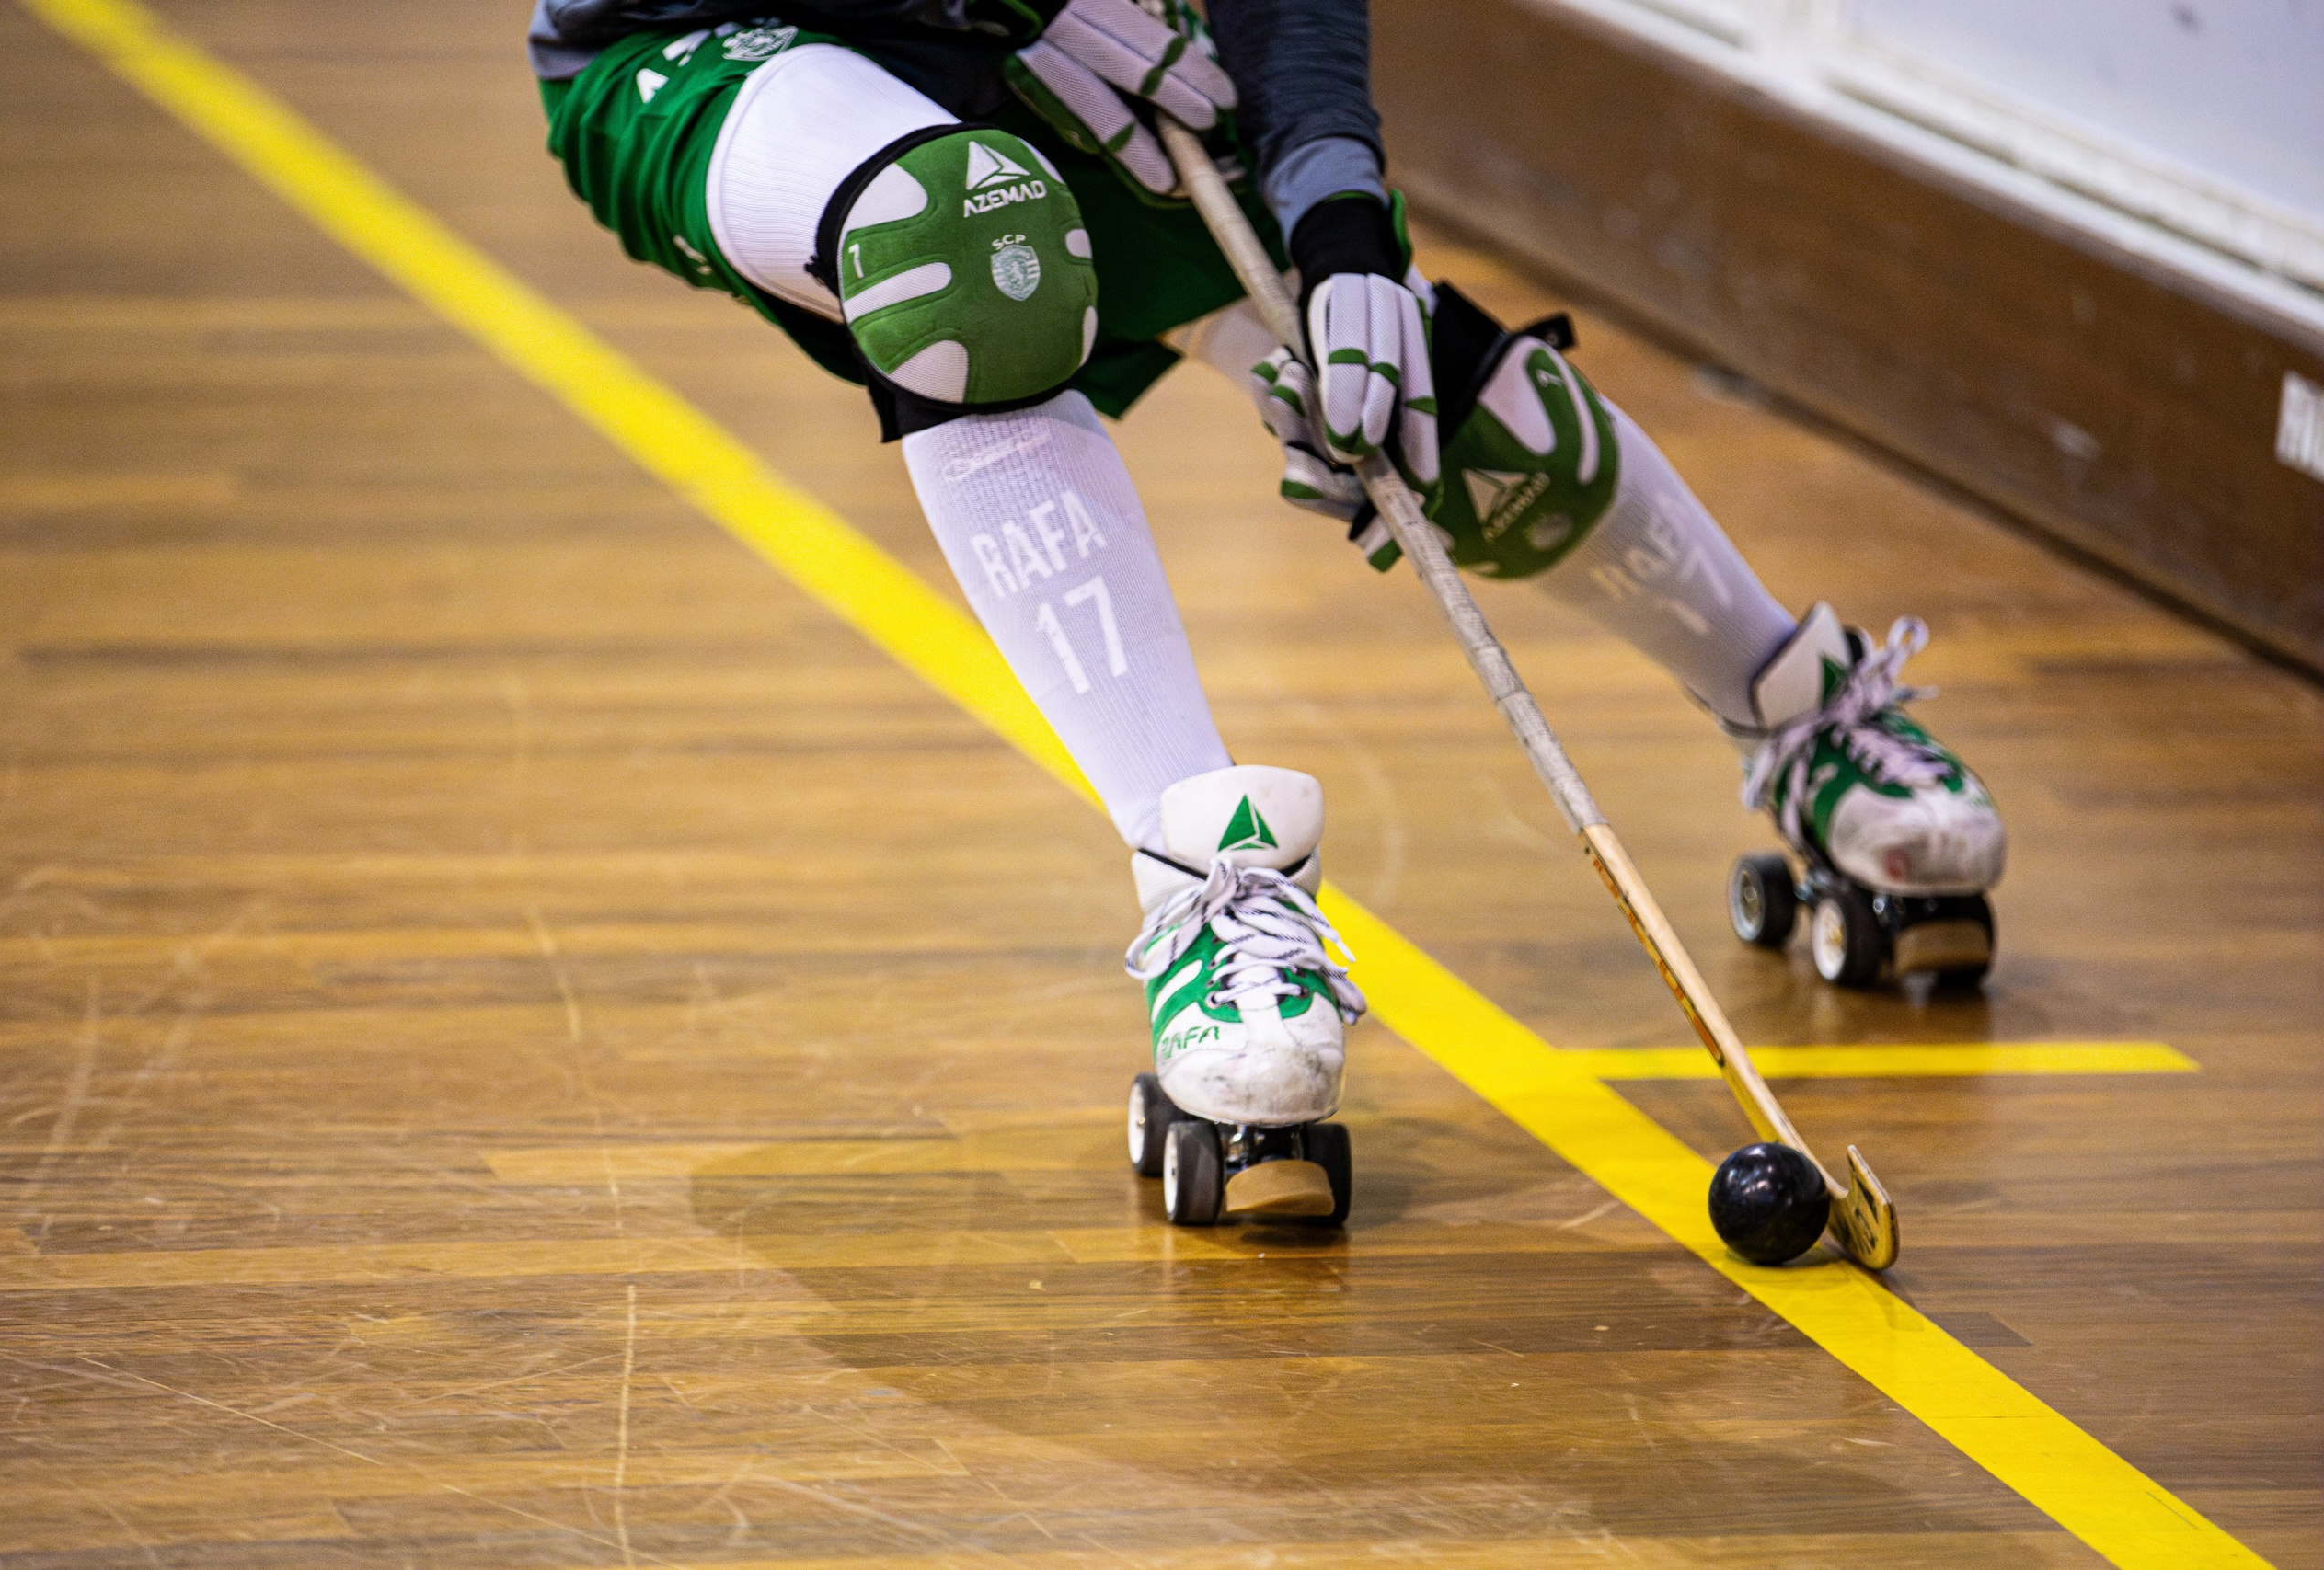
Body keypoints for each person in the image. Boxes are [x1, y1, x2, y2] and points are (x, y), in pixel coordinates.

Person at [528, 0, 2007, 1136]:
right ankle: (1204, 892)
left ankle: (1796, 706)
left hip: (1057, 45)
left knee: (1447, 406)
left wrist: (1342, 222)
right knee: (962, 250)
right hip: (717, 44)